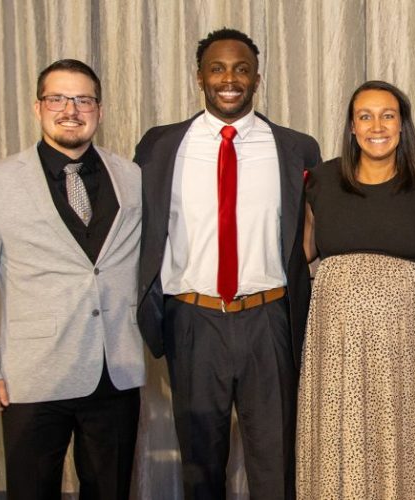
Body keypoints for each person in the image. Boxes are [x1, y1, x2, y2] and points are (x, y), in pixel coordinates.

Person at [133, 28, 320, 500]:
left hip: (270, 318)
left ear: (257, 78)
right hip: (192, 320)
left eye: (241, 69)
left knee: (276, 461)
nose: (229, 79)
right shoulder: (159, 147)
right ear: (200, 77)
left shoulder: (297, 148)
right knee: (200, 463)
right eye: (217, 68)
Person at [0, 59, 144, 499]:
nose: (70, 110)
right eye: (58, 98)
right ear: (38, 107)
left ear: (98, 109)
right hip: (33, 374)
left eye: (83, 100)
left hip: (115, 368)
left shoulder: (130, 177)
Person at [295, 80, 415, 499]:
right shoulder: (322, 180)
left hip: (409, 337)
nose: (376, 125)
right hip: (337, 340)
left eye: (388, 115)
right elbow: (302, 250)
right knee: (340, 434)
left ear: (402, 125)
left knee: (407, 434)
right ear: (351, 126)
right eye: (365, 116)